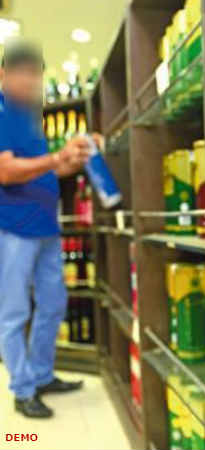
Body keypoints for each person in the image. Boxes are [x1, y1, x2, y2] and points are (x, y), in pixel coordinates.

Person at [0, 39, 101, 418]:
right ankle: (23, 389)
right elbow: (5, 171)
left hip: (46, 227)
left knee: (54, 303)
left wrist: (77, 156)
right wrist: (57, 157)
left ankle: (42, 375)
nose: (32, 82)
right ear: (3, 74)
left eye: (36, 75)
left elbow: (51, 169)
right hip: (13, 229)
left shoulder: (28, 118)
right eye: (25, 74)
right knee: (13, 313)